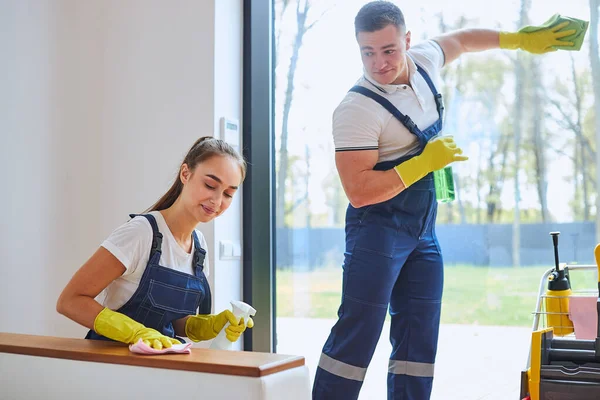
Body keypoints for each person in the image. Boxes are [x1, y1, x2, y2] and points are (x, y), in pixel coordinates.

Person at [312, 2, 575, 399]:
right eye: (368, 52)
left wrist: (520, 40)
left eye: (388, 50)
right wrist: (423, 164)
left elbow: (463, 40)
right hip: (377, 232)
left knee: (419, 337)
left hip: (423, 232)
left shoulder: (424, 63)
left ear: (407, 40)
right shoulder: (356, 109)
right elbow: (359, 191)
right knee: (358, 333)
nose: (379, 63)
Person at [57, 136, 253, 350]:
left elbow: (172, 322)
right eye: (210, 185)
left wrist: (210, 325)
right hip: (113, 366)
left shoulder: (199, 248)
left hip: (161, 368)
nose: (217, 201)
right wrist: (135, 333)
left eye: (228, 194)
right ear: (185, 174)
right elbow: (70, 301)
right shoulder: (142, 233)